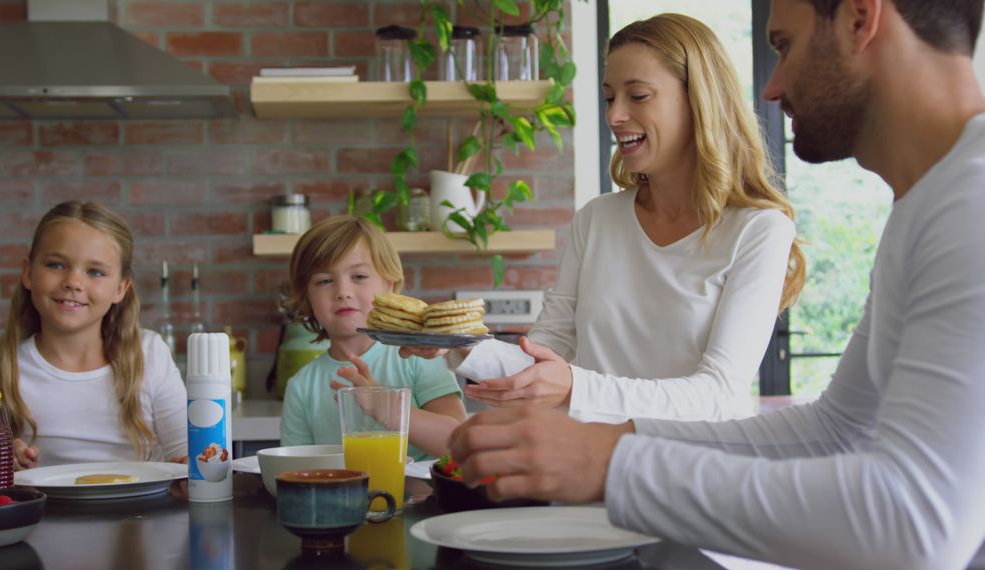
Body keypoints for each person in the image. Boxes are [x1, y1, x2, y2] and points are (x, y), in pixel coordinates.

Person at [448, 0, 985, 568]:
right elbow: (836, 430)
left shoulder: (970, 207)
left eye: (784, 45)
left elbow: (918, 522)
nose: (772, 87)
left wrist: (612, 465)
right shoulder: (925, 206)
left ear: (860, 18)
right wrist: (610, 444)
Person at [406, 13, 806, 423]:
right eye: (610, 96)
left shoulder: (759, 230)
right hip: (590, 472)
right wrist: (457, 343)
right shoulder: (597, 220)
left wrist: (575, 387)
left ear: (698, 100)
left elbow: (717, 394)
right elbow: (543, 359)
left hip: (695, 478)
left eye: (638, 96)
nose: (614, 116)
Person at [0, 201, 187, 469]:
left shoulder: (150, 354)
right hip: (43, 511)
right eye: (55, 265)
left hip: (144, 512)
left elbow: (185, 453)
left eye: (95, 272)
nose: (73, 282)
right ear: (28, 273)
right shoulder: (1, 371)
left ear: (121, 288)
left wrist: (191, 469)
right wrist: (2, 460)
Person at [279, 215, 466, 460]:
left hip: (424, 498)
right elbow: (296, 473)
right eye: (325, 281)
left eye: (359, 276)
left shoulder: (419, 357)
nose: (343, 292)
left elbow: (460, 443)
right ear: (306, 297)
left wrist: (385, 407)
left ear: (389, 284)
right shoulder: (301, 387)